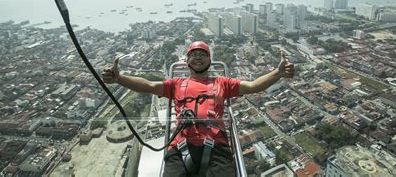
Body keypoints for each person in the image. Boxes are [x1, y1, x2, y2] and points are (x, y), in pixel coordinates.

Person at [102, 41, 295, 177]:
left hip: (217, 146)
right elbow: (148, 85)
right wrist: (120, 78)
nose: (198, 58)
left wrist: (278, 73)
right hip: (181, 145)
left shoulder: (222, 83)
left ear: (209, 60)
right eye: (193, 55)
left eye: (202, 54)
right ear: (187, 61)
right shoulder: (176, 84)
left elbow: (253, 86)